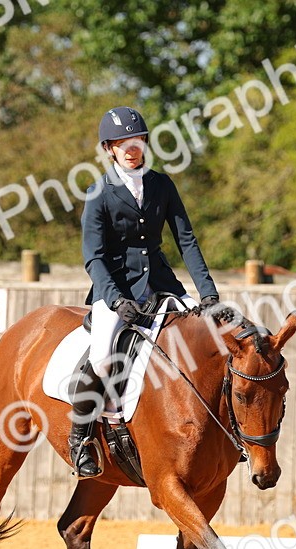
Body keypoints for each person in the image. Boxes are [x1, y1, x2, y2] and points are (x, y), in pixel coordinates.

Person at [69, 105, 221, 478]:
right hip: (115, 289)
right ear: (110, 148)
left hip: (164, 285)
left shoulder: (162, 185)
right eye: (123, 143)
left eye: (136, 140)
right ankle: (81, 438)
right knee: (103, 355)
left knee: (209, 339)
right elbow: (94, 256)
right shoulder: (99, 193)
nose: (131, 148)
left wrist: (208, 293)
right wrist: (116, 298)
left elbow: (186, 240)